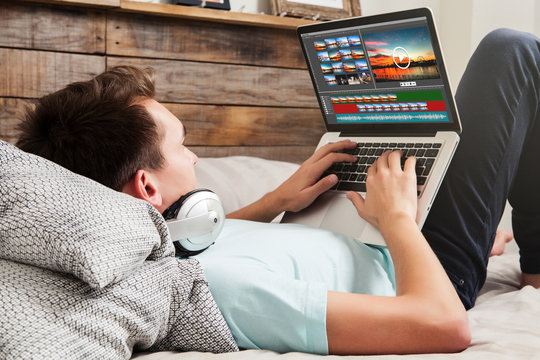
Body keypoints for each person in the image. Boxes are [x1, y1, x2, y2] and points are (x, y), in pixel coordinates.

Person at [15, 28, 540, 355]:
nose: (196, 158)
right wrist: (400, 220)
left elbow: (202, 242)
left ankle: (496, 233)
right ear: (147, 185)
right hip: (423, 269)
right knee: (511, 53)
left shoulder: (159, 248)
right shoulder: (221, 289)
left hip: (378, 229)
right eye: (184, 146)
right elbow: (444, 326)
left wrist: (278, 200)